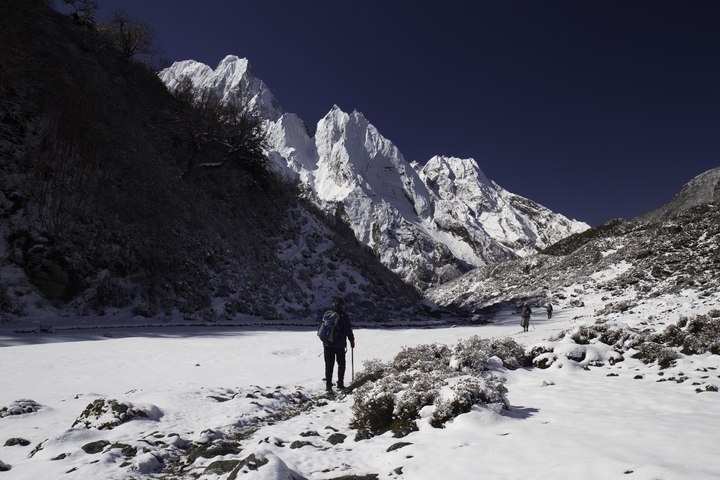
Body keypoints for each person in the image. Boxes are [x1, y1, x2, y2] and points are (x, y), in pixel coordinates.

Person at [323, 298, 355, 393]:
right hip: (339, 344)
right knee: (341, 364)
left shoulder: (328, 314)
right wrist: (351, 341)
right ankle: (340, 383)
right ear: (342, 305)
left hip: (327, 343)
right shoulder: (344, 315)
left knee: (329, 364)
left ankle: (328, 385)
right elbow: (348, 329)